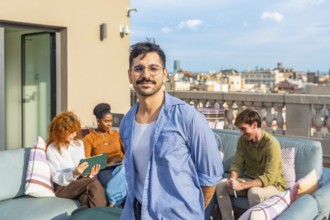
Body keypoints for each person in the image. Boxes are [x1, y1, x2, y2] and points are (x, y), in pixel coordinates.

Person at [119, 40, 224, 220]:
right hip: (135, 213)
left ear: (165, 74)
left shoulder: (188, 118)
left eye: (153, 68)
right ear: (130, 75)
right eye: (139, 69)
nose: (146, 75)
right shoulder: (127, 123)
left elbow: (210, 177)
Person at [215, 109, 286, 220]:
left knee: (254, 193)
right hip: (250, 179)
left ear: (254, 125)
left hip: (273, 185)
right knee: (221, 186)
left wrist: (241, 186)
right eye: (240, 129)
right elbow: (236, 164)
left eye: (243, 129)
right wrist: (233, 180)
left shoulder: (271, 144)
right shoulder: (243, 140)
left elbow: (269, 178)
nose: (241, 133)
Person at [46, 111, 106, 208]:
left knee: (87, 197)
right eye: (71, 131)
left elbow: (82, 166)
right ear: (61, 130)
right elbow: (57, 178)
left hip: (79, 182)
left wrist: (89, 172)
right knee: (93, 183)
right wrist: (74, 173)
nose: (74, 134)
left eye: (75, 131)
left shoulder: (78, 144)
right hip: (62, 187)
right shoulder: (52, 149)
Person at [83, 103, 127, 208]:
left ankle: (113, 201)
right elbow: (87, 161)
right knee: (126, 176)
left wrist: (123, 159)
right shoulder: (89, 139)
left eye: (111, 121)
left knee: (125, 169)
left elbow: (127, 151)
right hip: (104, 170)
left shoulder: (116, 134)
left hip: (120, 165)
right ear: (98, 121)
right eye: (106, 121)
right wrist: (107, 162)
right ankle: (114, 201)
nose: (109, 124)